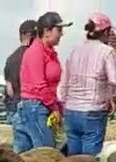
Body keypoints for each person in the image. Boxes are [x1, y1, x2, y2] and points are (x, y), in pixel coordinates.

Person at [57, 11, 116, 156]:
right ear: (106, 31)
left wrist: (66, 103)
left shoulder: (74, 51)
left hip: (71, 110)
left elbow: (63, 84)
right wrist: (111, 100)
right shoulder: (107, 52)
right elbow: (114, 84)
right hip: (93, 110)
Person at [15, 11, 69, 151]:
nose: (61, 34)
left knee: (31, 153)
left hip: (40, 106)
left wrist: (58, 107)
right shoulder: (36, 52)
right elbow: (40, 85)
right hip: (36, 106)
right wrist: (55, 108)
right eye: (59, 30)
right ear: (47, 31)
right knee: (46, 152)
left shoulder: (48, 52)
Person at [2, 17, 38, 139]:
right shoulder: (37, 56)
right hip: (34, 109)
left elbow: (10, 91)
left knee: (17, 153)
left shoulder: (11, 59)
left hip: (14, 108)